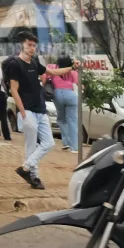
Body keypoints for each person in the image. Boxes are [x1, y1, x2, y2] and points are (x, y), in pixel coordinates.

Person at [7, 32, 79, 189]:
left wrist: (71, 67)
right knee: (31, 145)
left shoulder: (34, 63)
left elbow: (52, 72)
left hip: (41, 109)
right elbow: (14, 90)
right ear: (22, 45)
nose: (32, 48)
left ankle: (25, 168)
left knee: (49, 142)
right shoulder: (15, 64)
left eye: (34, 45)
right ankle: (35, 177)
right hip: (27, 110)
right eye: (29, 45)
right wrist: (23, 112)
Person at [46, 53, 78, 152]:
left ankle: (66, 142)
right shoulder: (72, 70)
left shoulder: (52, 67)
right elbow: (77, 82)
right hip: (71, 95)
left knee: (61, 119)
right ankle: (75, 147)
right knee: (72, 121)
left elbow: (46, 75)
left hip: (57, 94)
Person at [0, 57, 12, 141]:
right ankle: (6, 136)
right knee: (3, 115)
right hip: (1, 93)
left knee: (3, 115)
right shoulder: (2, 69)